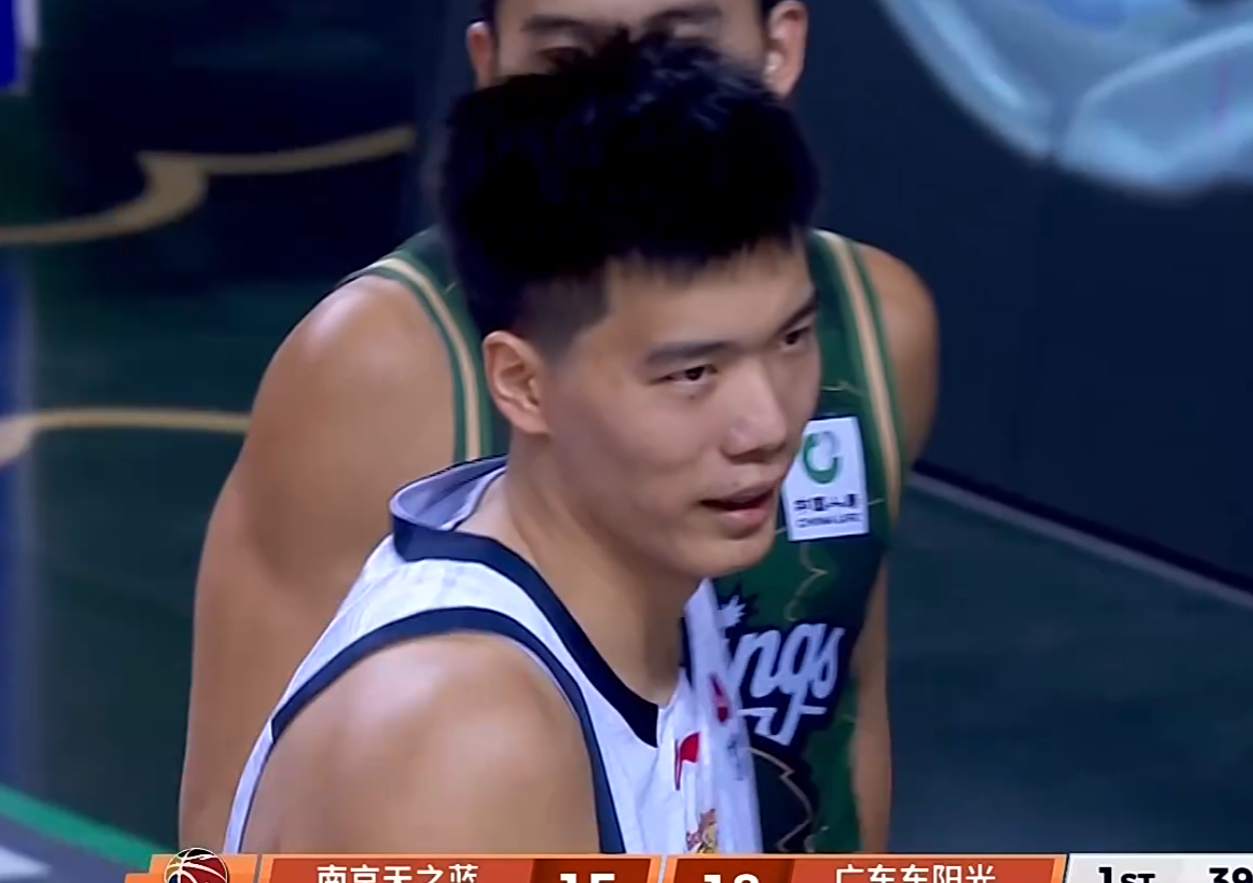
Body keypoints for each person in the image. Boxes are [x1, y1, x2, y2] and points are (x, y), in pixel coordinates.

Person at [182, 0, 939, 854]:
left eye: (791, 339)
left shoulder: (646, 564)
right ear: (522, 384)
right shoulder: (467, 746)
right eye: (692, 374)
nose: (766, 425)